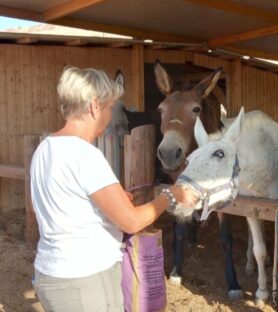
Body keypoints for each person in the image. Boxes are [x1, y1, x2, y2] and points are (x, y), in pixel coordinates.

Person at [30, 66, 197, 311]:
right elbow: (131, 222)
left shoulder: (45, 148)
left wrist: (110, 201)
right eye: (109, 108)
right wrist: (170, 196)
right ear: (94, 106)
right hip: (85, 280)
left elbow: (64, 204)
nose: (110, 115)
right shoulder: (85, 155)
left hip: (53, 273)